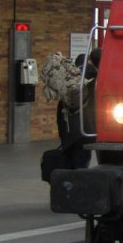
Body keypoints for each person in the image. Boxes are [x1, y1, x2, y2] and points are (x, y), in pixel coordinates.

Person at [41, 49, 101, 181]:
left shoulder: (69, 78)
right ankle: (77, 188)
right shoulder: (94, 77)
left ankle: (66, 186)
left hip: (67, 129)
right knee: (82, 161)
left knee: (69, 159)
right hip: (84, 129)